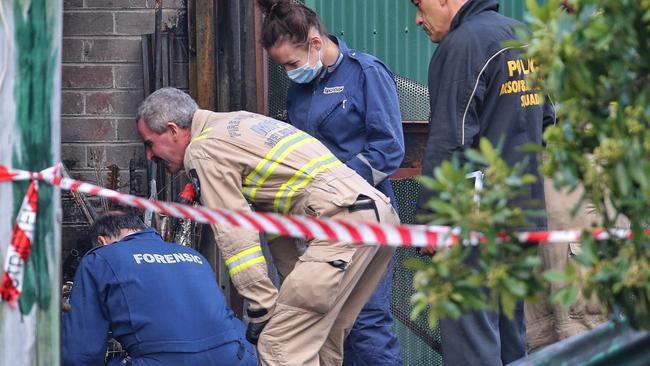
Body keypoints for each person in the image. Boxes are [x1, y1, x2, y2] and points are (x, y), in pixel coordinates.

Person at [135, 87, 400, 366]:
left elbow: (233, 231)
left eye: (149, 144)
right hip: (377, 217)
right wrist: (286, 290)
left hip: (343, 224)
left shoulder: (203, 150)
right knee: (320, 340)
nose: (150, 157)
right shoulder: (240, 123)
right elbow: (276, 221)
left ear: (174, 130)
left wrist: (261, 305)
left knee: (279, 345)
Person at [256, 1, 405, 364]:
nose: (289, 72)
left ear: (315, 43)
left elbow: (388, 149)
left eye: (292, 63)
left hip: (364, 214)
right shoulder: (299, 88)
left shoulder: (365, 73)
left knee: (366, 320)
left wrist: (334, 184)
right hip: (315, 222)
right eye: (282, 67)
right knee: (322, 316)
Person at [411, 0, 556, 364]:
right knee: (511, 340)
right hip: (523, 214)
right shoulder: (524, 37)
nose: (417, 19)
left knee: (472, 345)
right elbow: (549, 119)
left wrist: (432, 218)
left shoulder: (463, 45)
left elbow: (450, 138)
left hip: (472, 222)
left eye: (418, 5)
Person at [62, 211, 258, 366]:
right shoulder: (192, 255)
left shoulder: (100, 258)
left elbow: (81, 353)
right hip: (236, 357)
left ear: (102, 241)